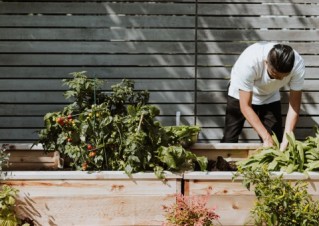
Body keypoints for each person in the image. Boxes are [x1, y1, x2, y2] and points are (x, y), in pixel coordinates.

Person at [221, 42, 305, 150]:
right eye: (275, 75)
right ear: (266, 62)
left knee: (275, 142)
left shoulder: (297, 65)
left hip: (270, 95)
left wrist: (287, 139)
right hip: (239, 94)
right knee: (229, 139)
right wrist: (266, 137)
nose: (279, 79)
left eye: (283, 77)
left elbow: (294, 106)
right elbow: (245, 106)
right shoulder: (249, 62)